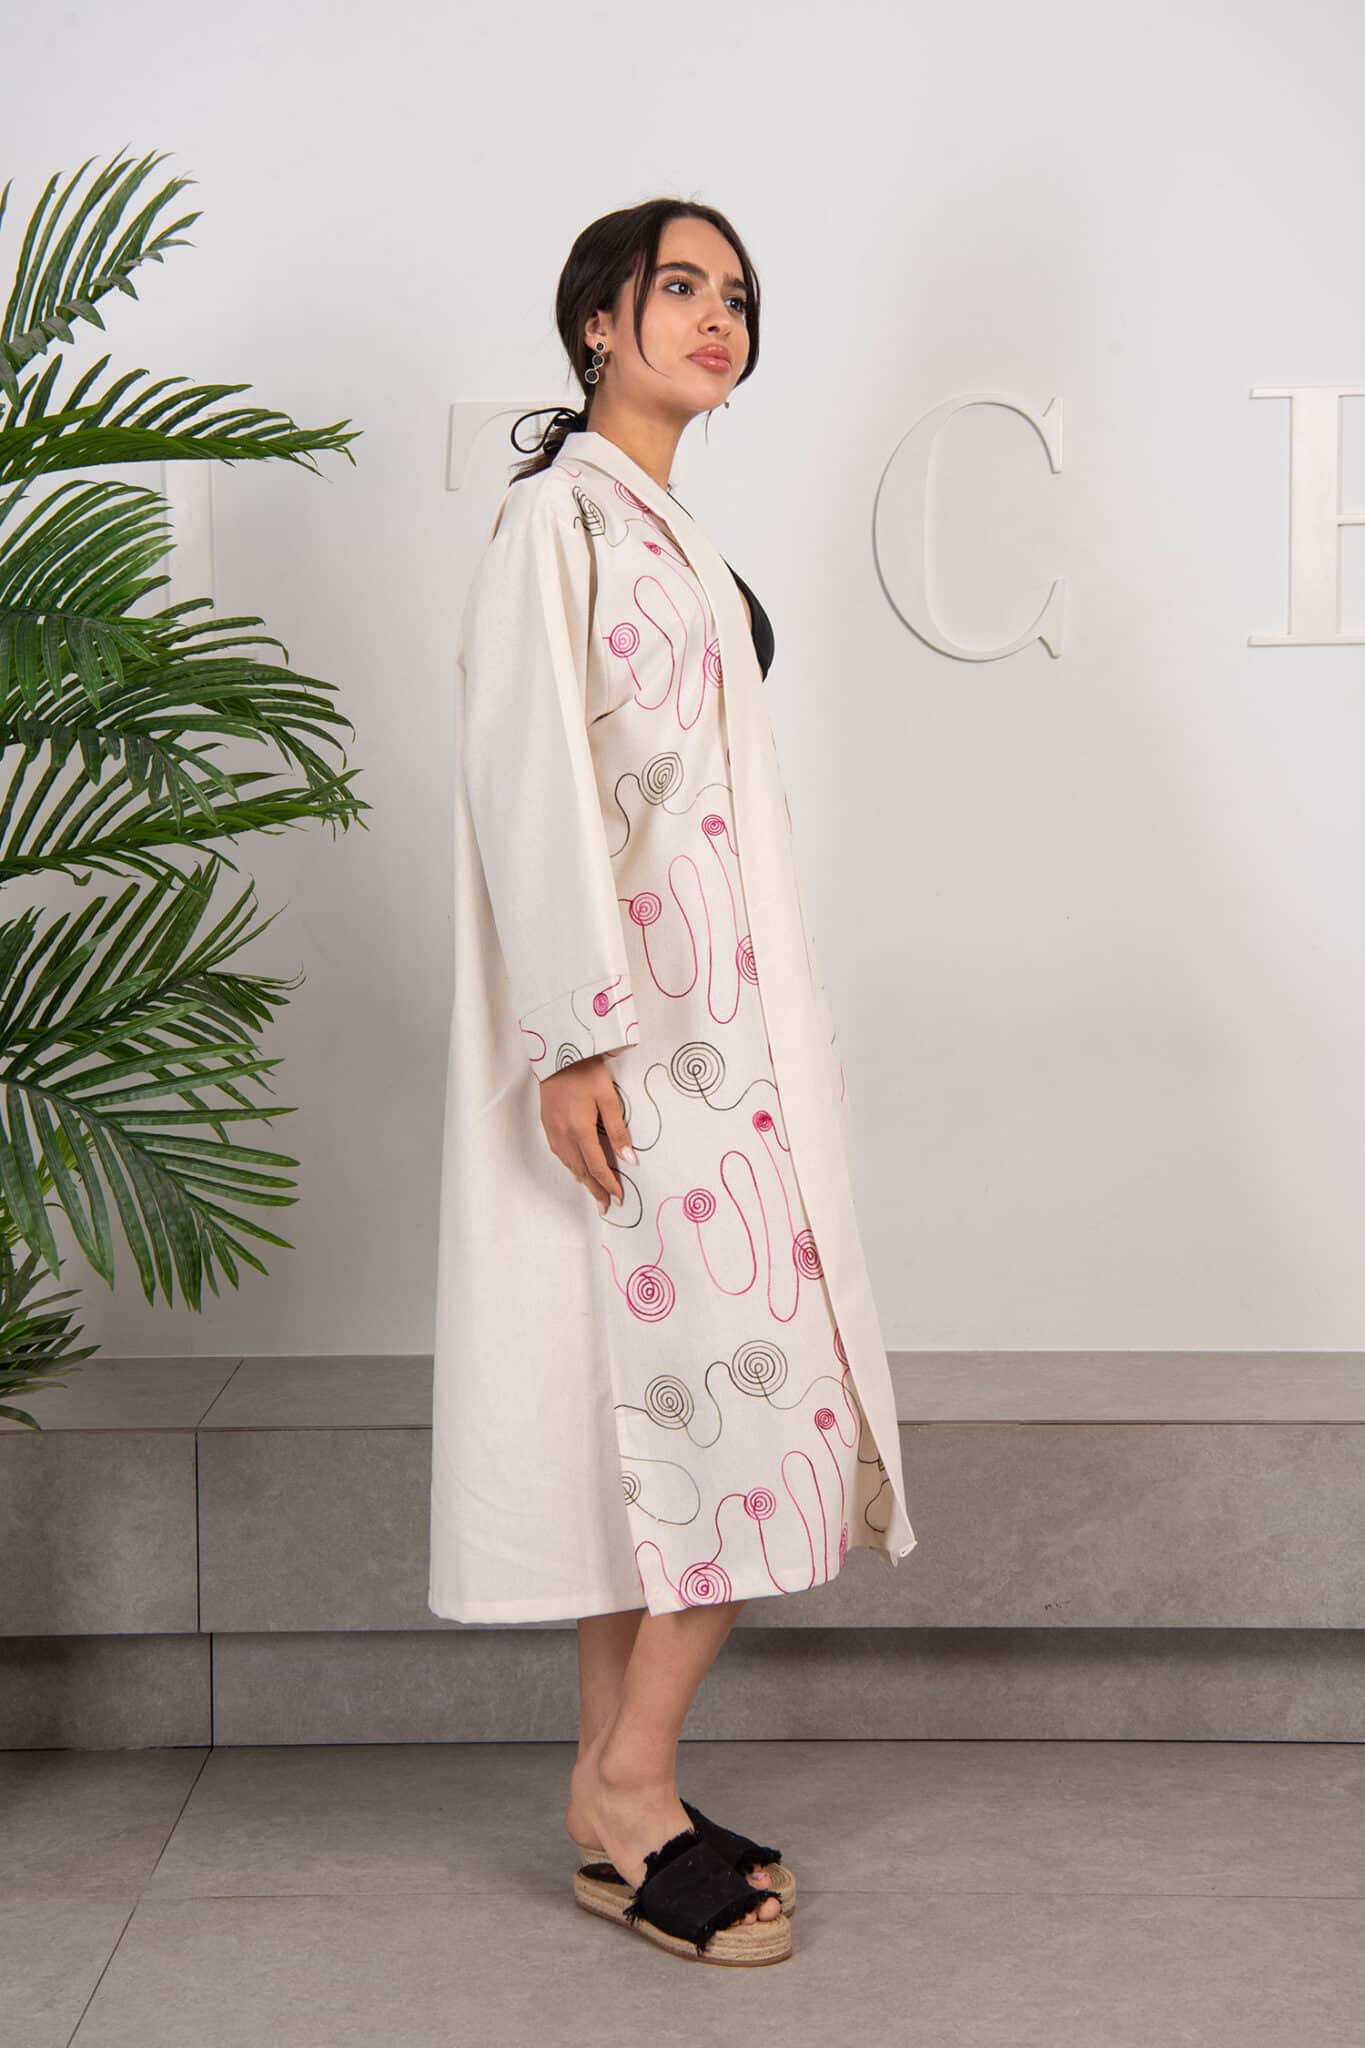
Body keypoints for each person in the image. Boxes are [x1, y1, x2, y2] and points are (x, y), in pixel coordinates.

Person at [428, 198, 916, 1964]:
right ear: (595, 322)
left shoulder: (663, 527)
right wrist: (570, 1034)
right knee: (743, 1420)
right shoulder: (552, 522)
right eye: (680, 288)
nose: (718, 318)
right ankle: (631, 1788)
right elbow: (525, 777)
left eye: (739, 297)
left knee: (657, 1424)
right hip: (638, 1052)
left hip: (726, 1053)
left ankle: (611, 1791)